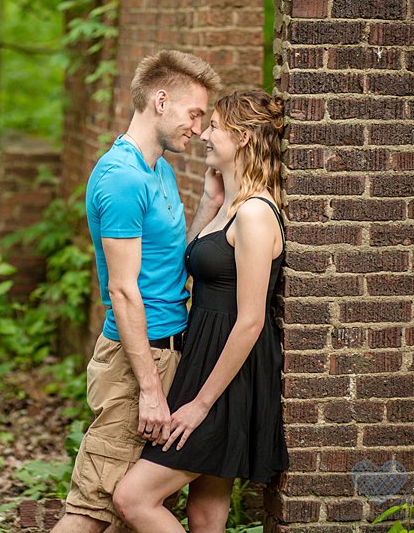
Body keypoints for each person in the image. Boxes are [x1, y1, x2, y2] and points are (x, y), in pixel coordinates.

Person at [52, 50, 224, 533]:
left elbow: (171, 266)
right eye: (195, 114)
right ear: (161, 100)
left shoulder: (161, 171)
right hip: (136, 363)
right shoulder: (123, 179)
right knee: (89, 511)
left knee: (130, 510)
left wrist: (209, 206)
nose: (199, 127)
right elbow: (123, 291)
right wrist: (149, 389)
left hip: (168, 354)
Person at [113, 89, 290, 533]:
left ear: (244, 138)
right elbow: (188, 267)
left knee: (133, 499)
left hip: (228, 377)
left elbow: (250, 321)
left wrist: (199, 405)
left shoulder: (254, 215)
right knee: (205, 515)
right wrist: (210, 202)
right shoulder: (229, 207)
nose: (204, 134)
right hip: (205, 358)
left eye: (214, 127)